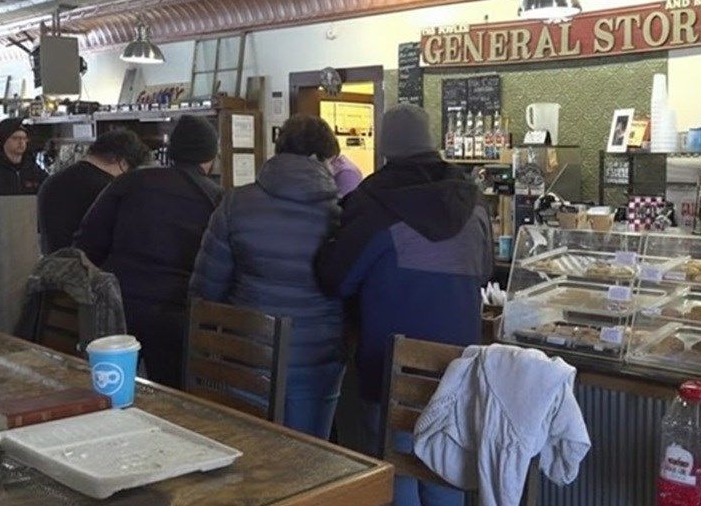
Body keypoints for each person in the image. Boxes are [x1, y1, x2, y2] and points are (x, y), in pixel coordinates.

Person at [315, 103, 492, 506]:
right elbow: (482, 272)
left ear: (386, 148)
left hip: (390, 366)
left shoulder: (371, 204)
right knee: (444, 472)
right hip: (456, 367)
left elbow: (336, 280)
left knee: (397, 478)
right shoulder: (473, 202)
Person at [189, 116, 345, 439]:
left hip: (247, 352)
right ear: (318, 159)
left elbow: (205, 290)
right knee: (312, 462)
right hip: (318, 358)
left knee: (251, 458)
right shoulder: (340, 215)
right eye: (332, 162)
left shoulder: (235, 203)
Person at [75, 115, 222, 389]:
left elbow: (88, 241)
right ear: (210, 156)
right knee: (173, 399)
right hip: (178, 314)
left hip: (119, 305)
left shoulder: (130, 181)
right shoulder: (215, 198)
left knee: (113, 393)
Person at [38, 129, 151, 254]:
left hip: (52, 268)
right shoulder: (110, 190)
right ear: (122, 162)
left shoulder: (52, 181)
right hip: (92, 270)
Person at [0, 117, 47, 195]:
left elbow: (50, 188)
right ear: (4, 141)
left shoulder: (33, 168)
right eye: (15, 138)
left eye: (24, 138)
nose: (21, 142)